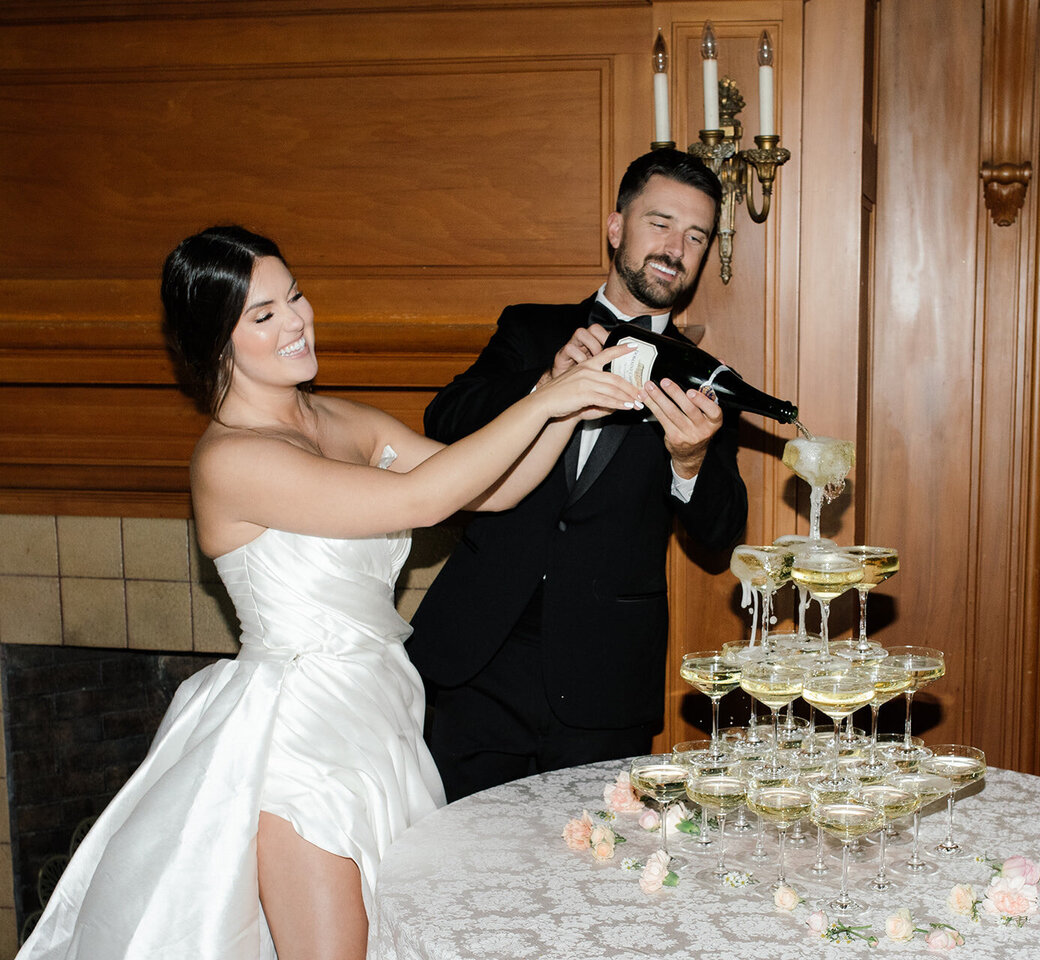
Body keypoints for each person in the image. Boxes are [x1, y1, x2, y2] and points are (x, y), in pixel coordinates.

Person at [16, 225, 644, 960]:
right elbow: (422, 501)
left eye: (297, 296)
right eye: (264, 314)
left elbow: (492, 492)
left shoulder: (339, 418)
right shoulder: (231, 459)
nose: (297, 320)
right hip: (296, 739)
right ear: (217, 341)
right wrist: (544, 402)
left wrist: (559, 406)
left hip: (379, 714)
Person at [408, 149, 749, 802]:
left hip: (604, 683)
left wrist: (690, 462)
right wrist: (545, 387)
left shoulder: (705, 379)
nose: (676, 247)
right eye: (660, 222)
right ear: (616, 227)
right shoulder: (531, 328)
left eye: (696, 236)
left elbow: (721, 535)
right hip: (476, 665)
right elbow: (444, 421)